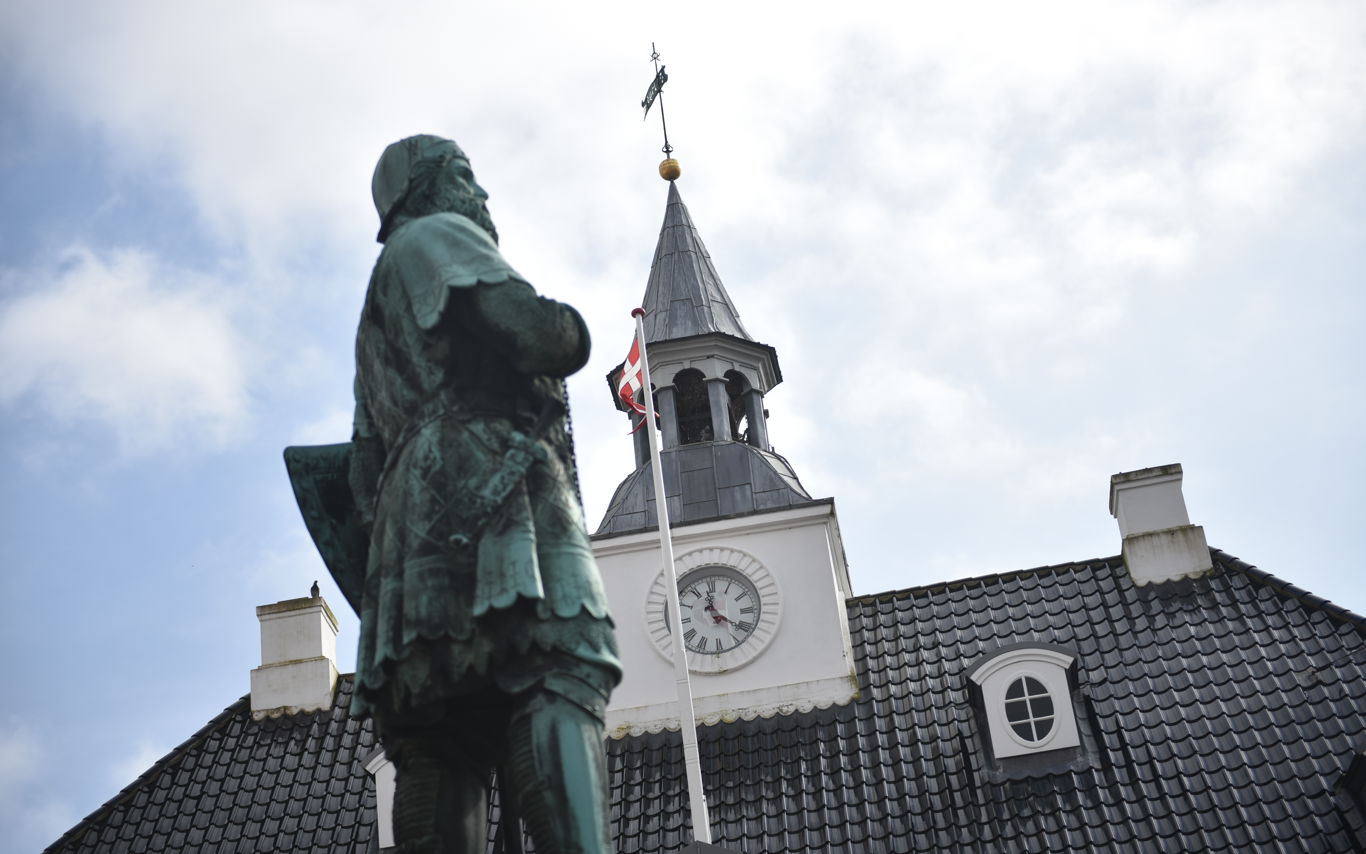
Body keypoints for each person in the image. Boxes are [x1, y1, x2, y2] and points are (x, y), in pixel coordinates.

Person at [347, 134, 620, 854]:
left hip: (408, 525)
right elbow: (537, 335)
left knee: (441, 734)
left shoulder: (373, 315)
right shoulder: (439, 235)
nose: (482, 197)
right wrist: (571, 327)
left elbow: (357, 471)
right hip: (490, 475)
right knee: (562, 667)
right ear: (428, 190)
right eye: (467, 176)